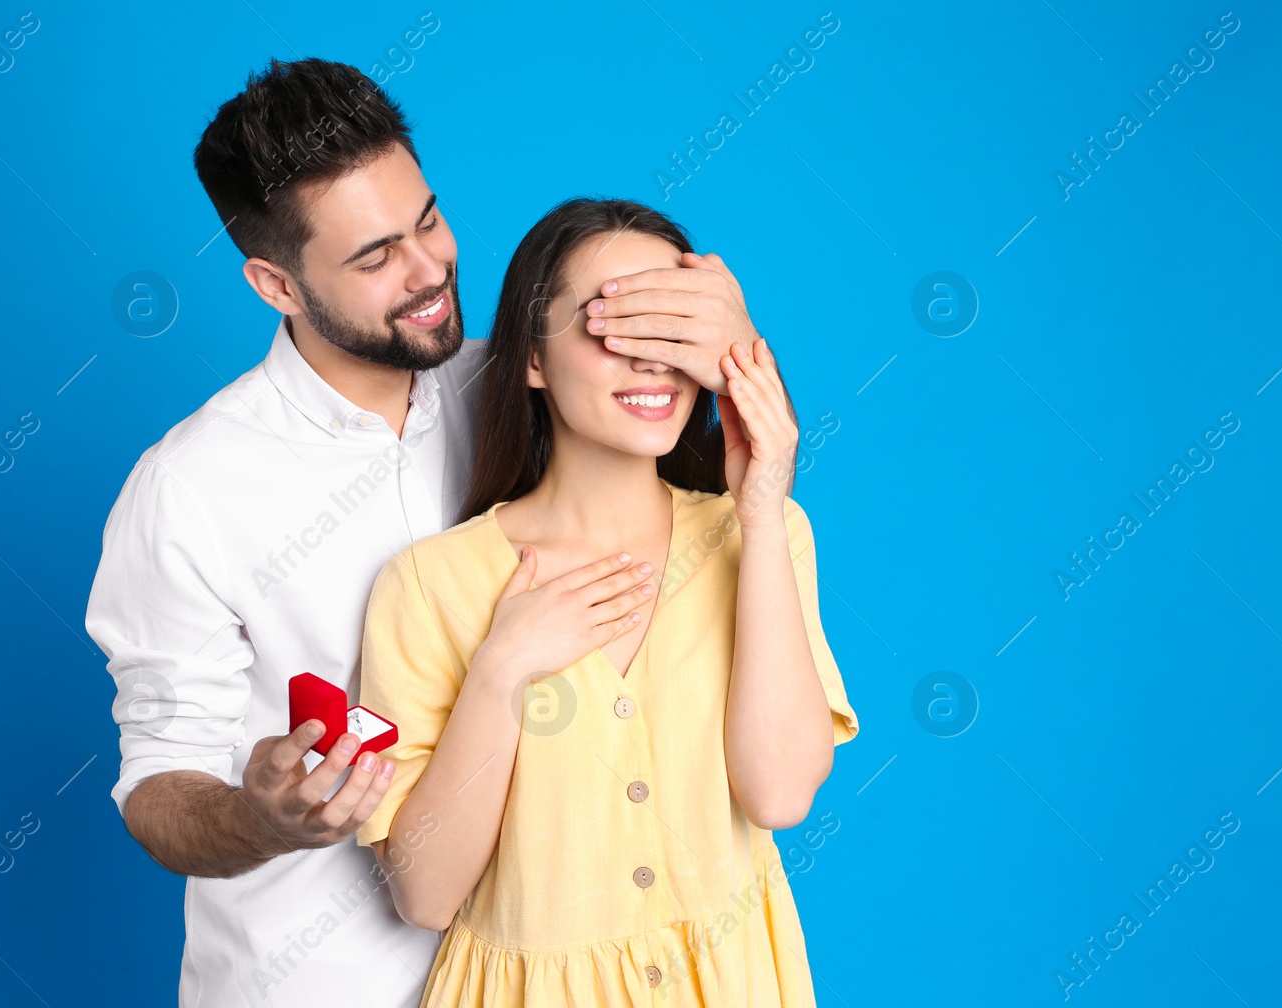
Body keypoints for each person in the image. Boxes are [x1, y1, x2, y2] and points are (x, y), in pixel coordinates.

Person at [85, 59, 791, 1007]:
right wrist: (265, 818)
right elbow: (157, 782)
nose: (429, 272)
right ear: (276, 284)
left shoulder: (536, 382)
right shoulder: (189, 491)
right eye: (374, 258)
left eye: (427, 221)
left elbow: (718, 507)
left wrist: (727, 340)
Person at [353, 197, 860, 1006]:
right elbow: (424, 895)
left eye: (673, 330)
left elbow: (781, 794)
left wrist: (762, 511)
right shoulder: (431, 585)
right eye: (611, 324)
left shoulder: (764, 534)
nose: (650, 361)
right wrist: (502, 670)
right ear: (532, 359)